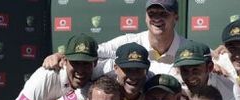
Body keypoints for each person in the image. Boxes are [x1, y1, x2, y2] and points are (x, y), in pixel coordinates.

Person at [44, 0, 186, 78]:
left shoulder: (187, 49)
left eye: (163, 14)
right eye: (152, 13)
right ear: (145, 17)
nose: (157, 19)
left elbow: (208, 56)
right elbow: (92, 51)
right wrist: (61, 55)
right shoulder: (130, 41)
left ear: (176, 17)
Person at [173, 40, 240, 100]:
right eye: (185, 70)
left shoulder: (230, 90)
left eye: (195, 70)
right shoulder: (175, 83)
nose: (190, 76)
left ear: (210, 67)